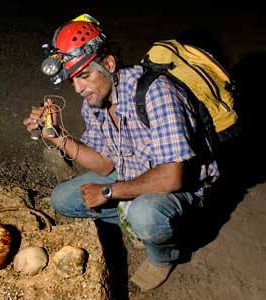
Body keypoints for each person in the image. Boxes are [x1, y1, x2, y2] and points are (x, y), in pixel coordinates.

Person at [23, 14, 220, 292]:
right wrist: (57, 138)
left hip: (182, 188)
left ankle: (166, 252)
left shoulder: (157, 93)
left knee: (146, 215)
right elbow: (104, 165)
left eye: (84, 75)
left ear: (109, 64)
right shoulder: (95, 101)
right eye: (72, 81)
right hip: (134, 174)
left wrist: (109, 193)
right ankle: (140, 222)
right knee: (62, 200)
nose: (79, 88)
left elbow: (172, 177)